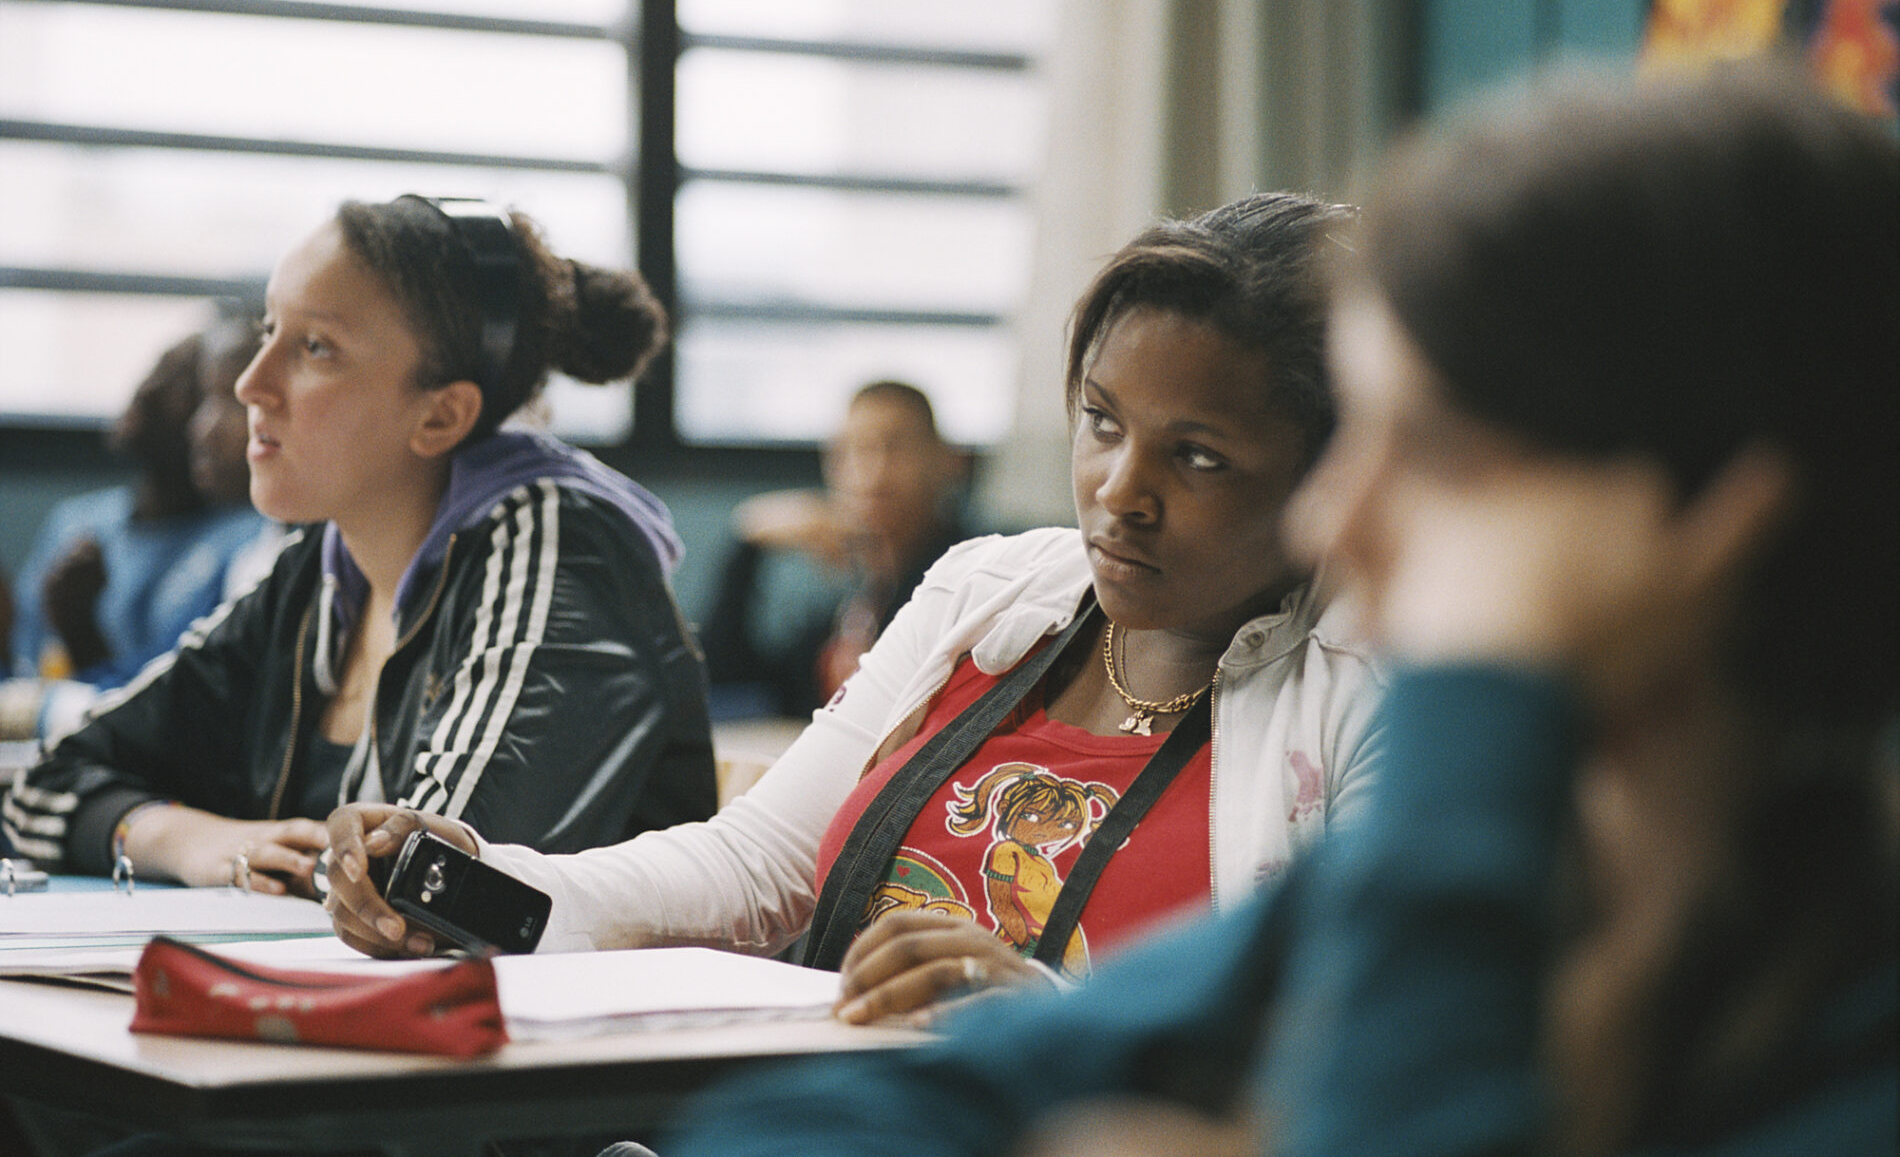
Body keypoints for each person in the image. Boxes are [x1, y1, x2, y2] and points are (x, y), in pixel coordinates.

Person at [662, 60, 1898, 1156]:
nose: (1329, 522)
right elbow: (778, 1130)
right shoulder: (1514, 872)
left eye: (1439, 457)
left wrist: (1483, 692)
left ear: (1716, 515)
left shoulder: (1844, 1032)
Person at [322, 192, 1383, 1023]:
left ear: (1330, 477)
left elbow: (1367, 1055)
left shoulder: (1373, 694)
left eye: (1197, 457)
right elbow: (756, 864)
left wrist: (1046, 1017)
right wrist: (490, 881)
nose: (1120, 490)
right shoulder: (987, 594)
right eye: (1102, 423)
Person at [2, 195, 718, 892]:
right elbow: (41, 783)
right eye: (268, 329)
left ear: (441, 416)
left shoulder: (558, 549)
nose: (251, 383)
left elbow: (429, 881)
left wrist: (259, 854)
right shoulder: (321, 570)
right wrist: (189, 839)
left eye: (316, 347)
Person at [0, 305, 270, 741]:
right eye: (157, 369)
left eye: (185, 388)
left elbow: (167, 714)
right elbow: (26, 669)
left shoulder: (242, 545)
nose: (149, 390)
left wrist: (81, 631)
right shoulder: (77, 520)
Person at [699, 380, 969, 719]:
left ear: (947, 461)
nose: (871, 471)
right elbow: (725, 671)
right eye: (851, 451)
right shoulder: (853, 600)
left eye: (894, 448)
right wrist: (748, 541)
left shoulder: (969, 577)